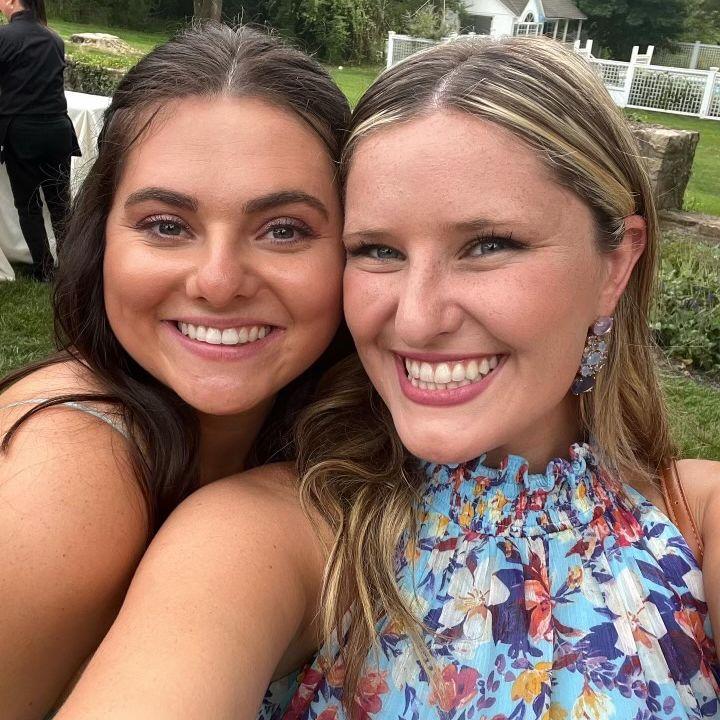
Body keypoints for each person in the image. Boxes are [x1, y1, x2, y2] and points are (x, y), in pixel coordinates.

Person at [55, 36, 720, 720]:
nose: (417, 319)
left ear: (615, 265)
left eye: (488, 245)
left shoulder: (696, 521)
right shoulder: (274, 538)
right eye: (377, 250)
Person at [0, 23, 350, 720]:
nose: (218, 282)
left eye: (283, 229)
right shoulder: (68, 480)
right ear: (101, 234)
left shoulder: (328, 438)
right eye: (167, 225)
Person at [0, 0, 80, 281]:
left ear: (13, 1)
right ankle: (71, 267)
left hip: (23, 133)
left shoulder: (5, 37)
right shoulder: (54, 38)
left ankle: (43, 269)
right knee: (60, 204)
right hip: (58, 130)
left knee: (28, 205)